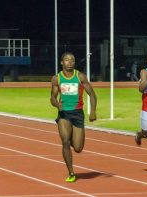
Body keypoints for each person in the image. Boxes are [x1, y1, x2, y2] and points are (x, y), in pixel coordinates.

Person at [50, 52, 97, 182]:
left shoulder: (80, 76)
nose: (69, 62)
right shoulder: (56, 78)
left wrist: (93, 111)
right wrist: (57, 105)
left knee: (78, 148)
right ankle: (71, 172)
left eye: (72, 60)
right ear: (62, 62)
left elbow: (92, 94)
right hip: (64, 113)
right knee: (65, 140)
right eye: (66, 60)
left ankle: (72, 137)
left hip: (77, 114)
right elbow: (53, 97)